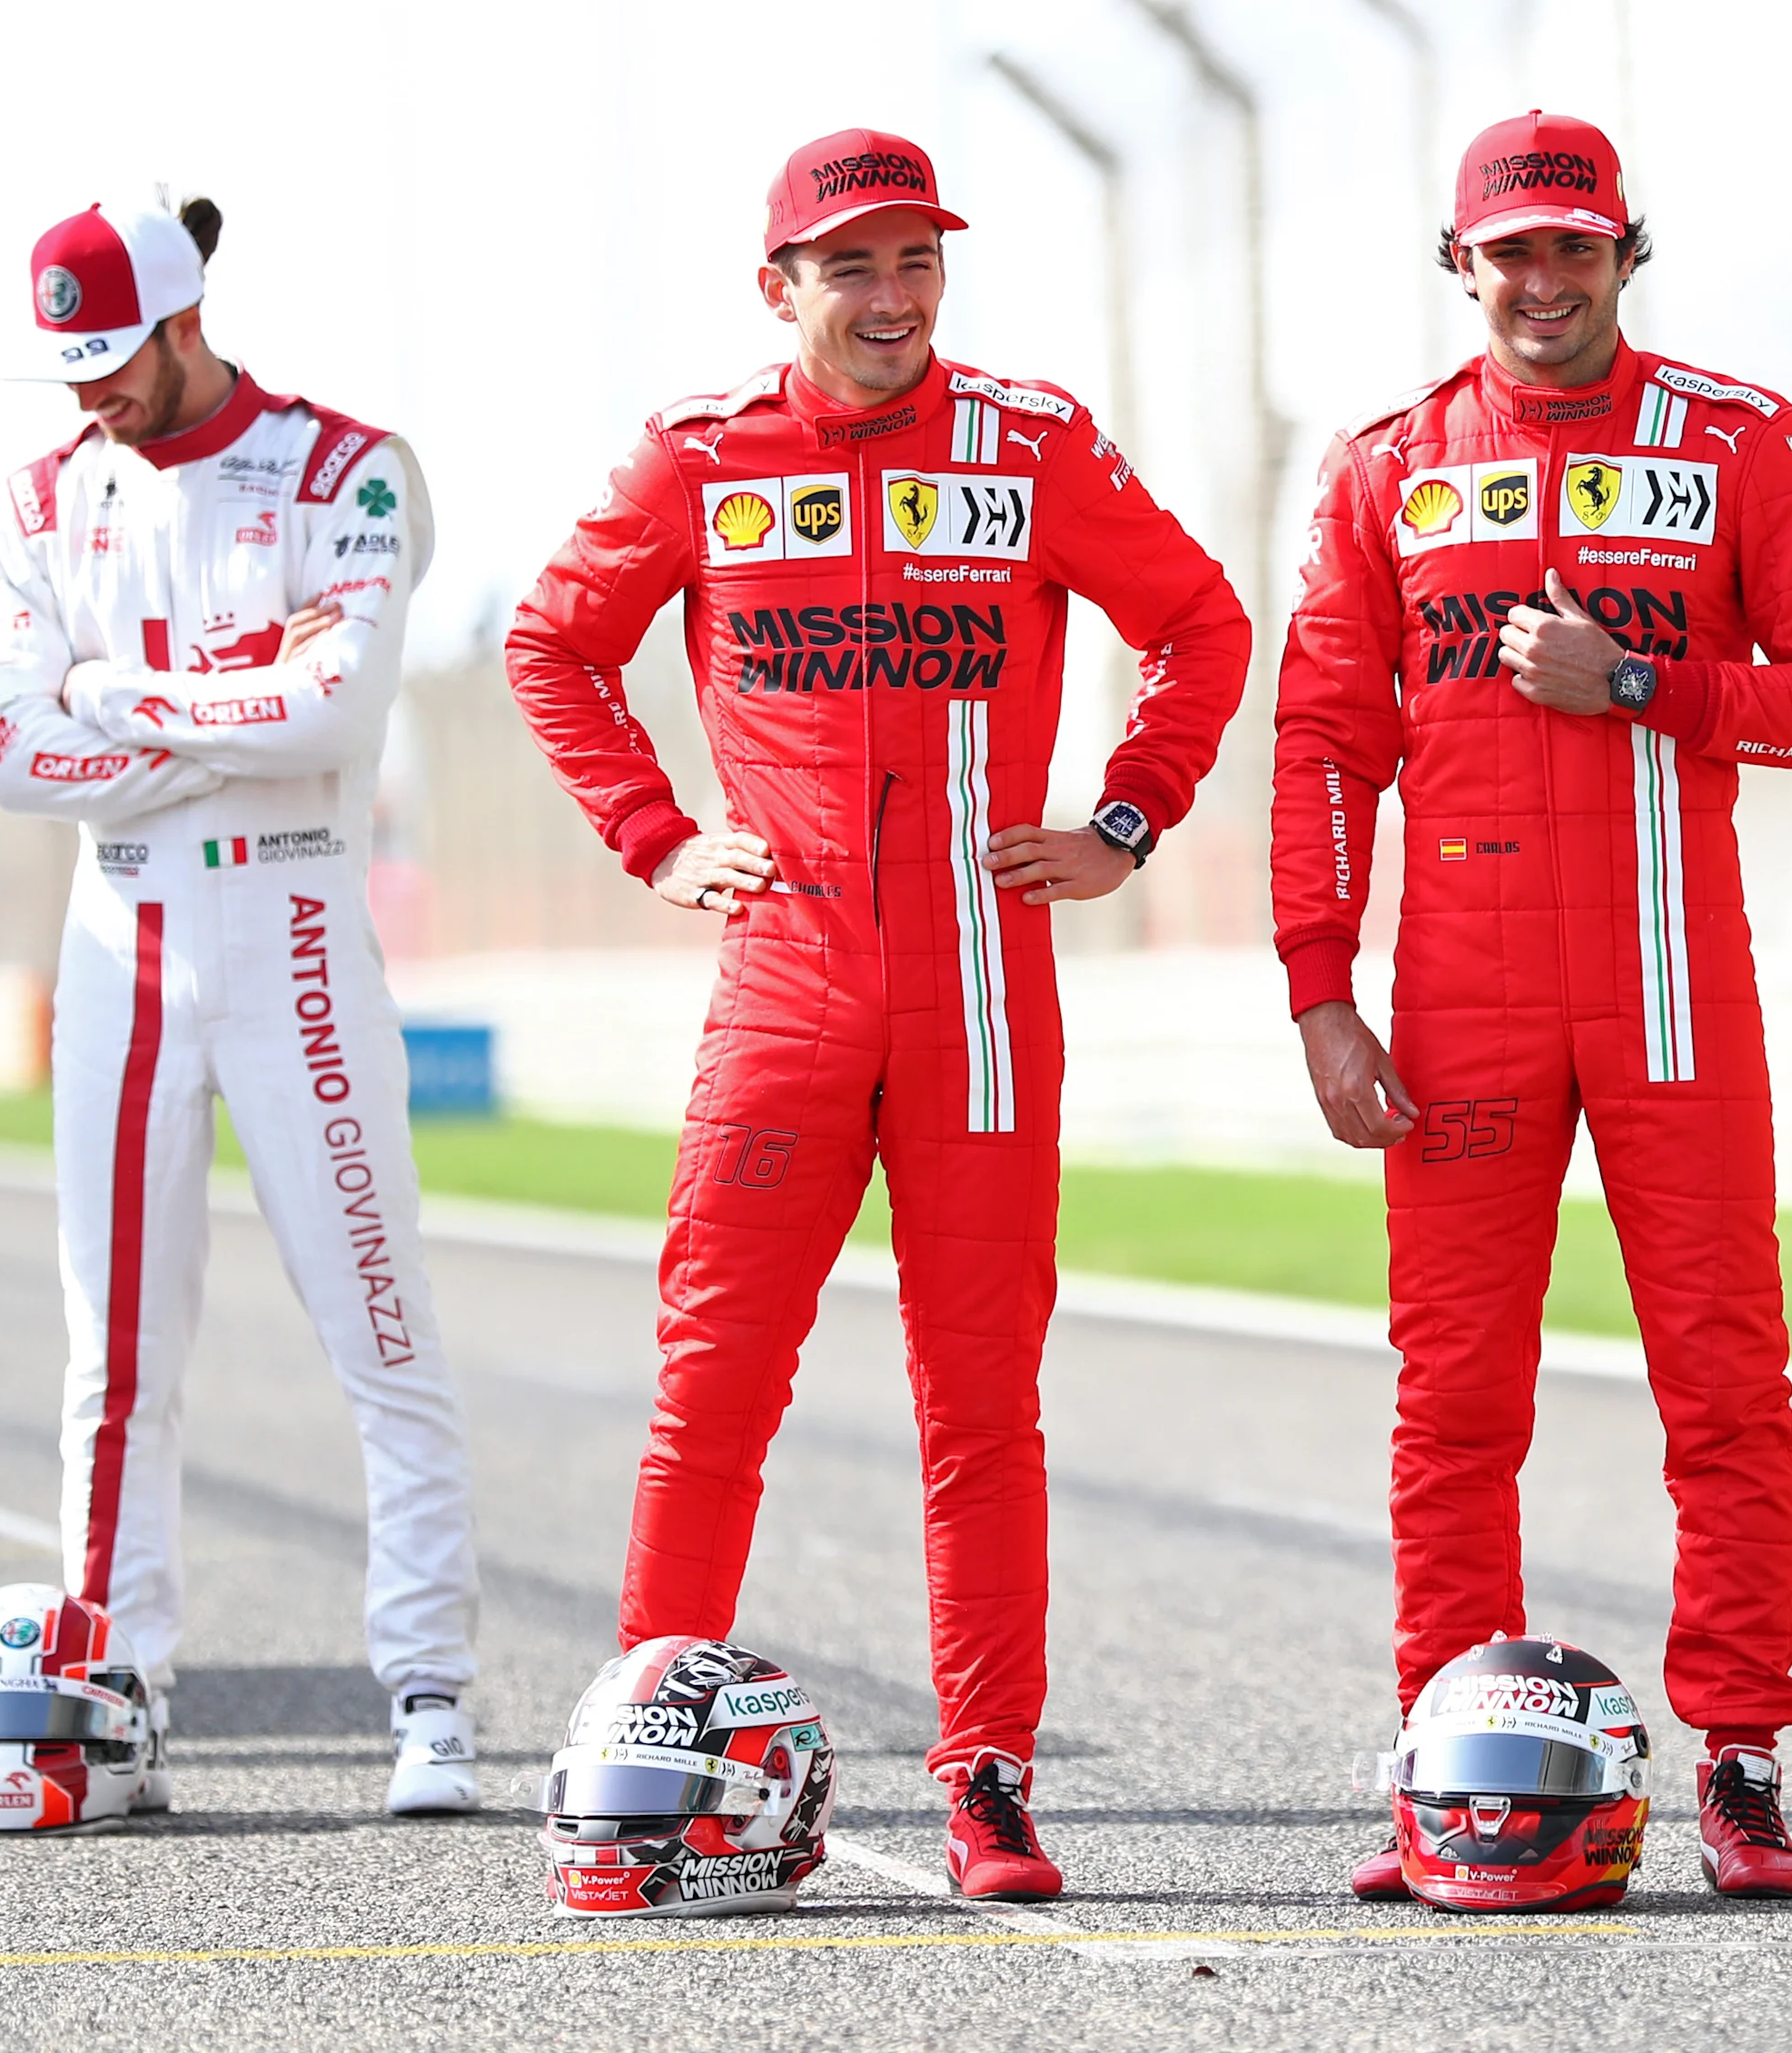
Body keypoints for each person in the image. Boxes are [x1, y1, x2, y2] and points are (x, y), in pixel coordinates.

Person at [503, 131, 1248, 1902]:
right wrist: (655, 833)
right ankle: (646, 1758)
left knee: (979, 1402)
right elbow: (552, 644)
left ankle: (989, 1777)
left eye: (918, 259)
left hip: (985, 994)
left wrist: (1125, 817)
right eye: (852, 265)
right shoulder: (701, 453)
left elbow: (1202, 624)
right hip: (786, 984)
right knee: (712, 1384)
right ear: (781, 289)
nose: (893, 294)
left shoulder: (1033, 442)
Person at [1272, 110, 1792, 1901]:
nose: (1543, 280)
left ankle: (1742, 1760)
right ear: (1458, 265)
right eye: (1512, 251)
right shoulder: (1385, 466)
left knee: (1725, 1382)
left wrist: (1641, 679)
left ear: (1628, 253)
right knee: (1453, 1398)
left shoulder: (1740, 438)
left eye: (1575, 245)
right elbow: (1322, 742)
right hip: (1458, 992)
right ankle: (1445, 1754)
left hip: (1671, 985)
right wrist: (1319, 988)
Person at [0, 198, 483, 1816]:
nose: (91, 394)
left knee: (379, 1329)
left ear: (187, 321)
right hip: (118, 947)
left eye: (114, 360)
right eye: (67, 367)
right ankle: (114, 1697)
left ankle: (432, 1697)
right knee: (114, 1358)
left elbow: (332, 713)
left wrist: (108, 697)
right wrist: (228, 710)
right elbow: (6, 750)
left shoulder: (353, 472)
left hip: (298, 941)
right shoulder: (44, 496)